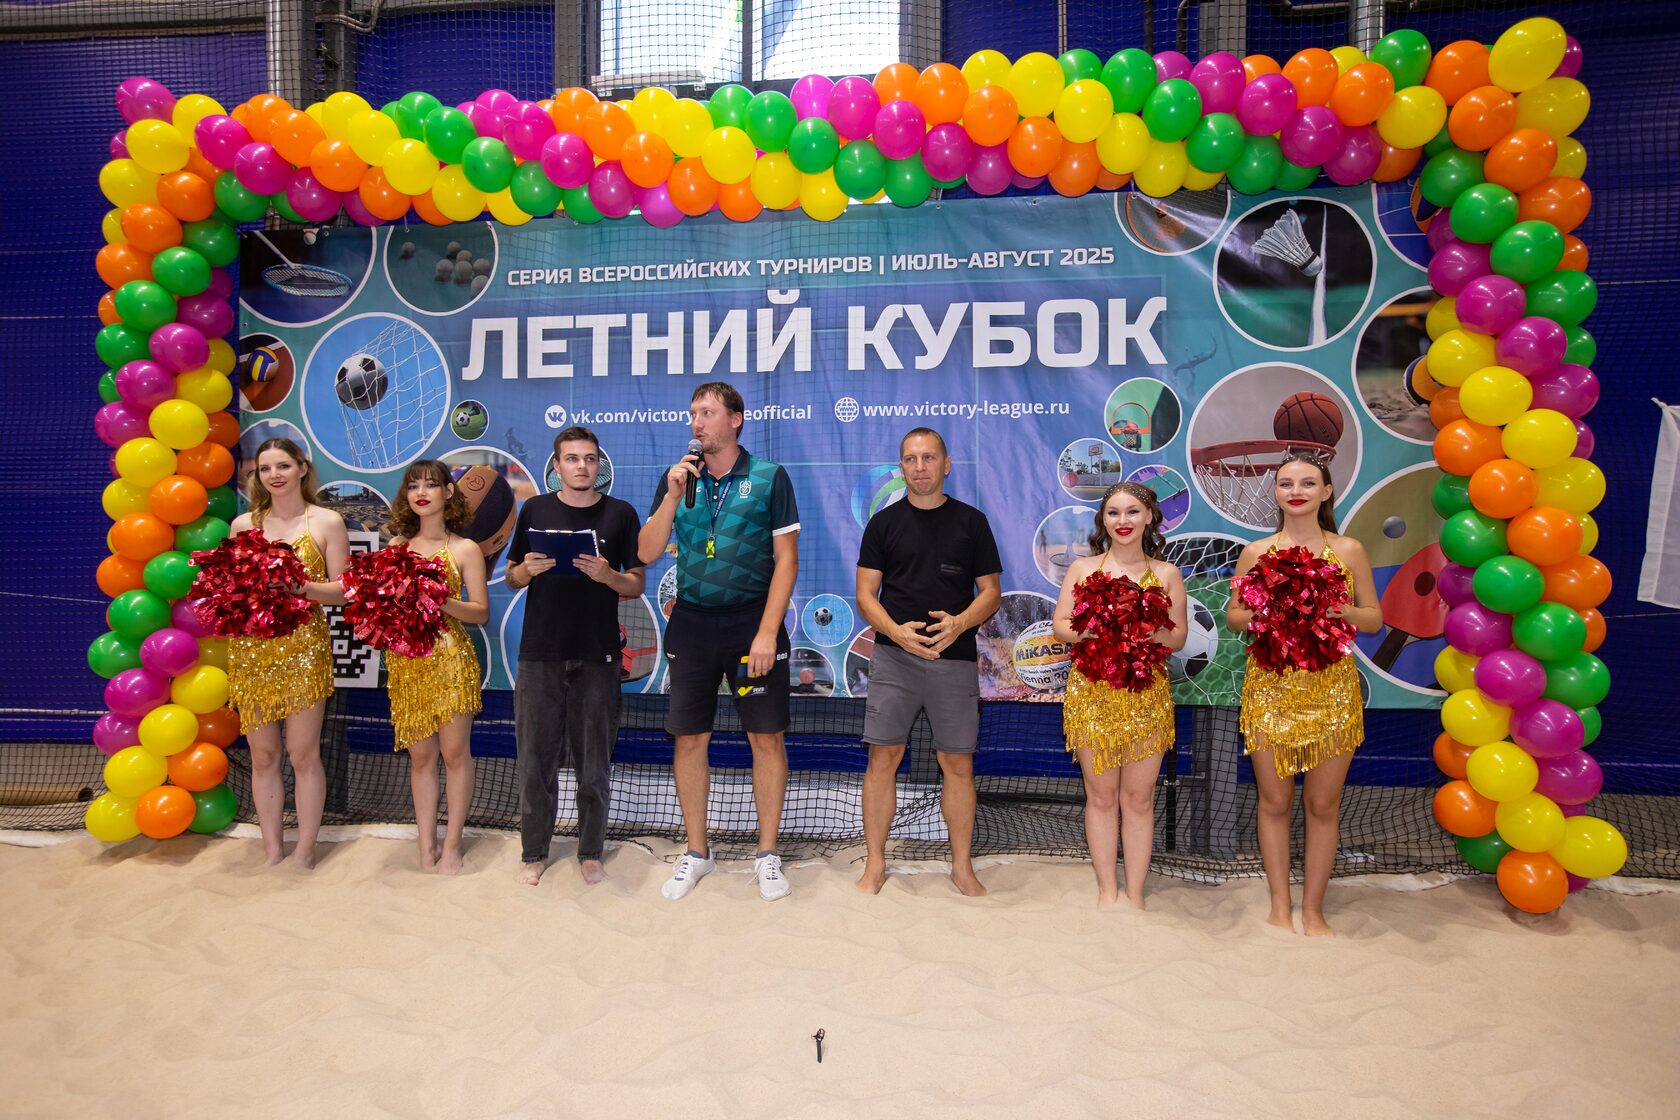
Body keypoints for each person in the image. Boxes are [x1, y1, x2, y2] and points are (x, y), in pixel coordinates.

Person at [638, 382, 799, 901]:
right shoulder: (678, 480)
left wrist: (768, 631)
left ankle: (767, 854)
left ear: (735, 419)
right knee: (690, 738)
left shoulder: (768, 477)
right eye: (693, 413)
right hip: (692, 624)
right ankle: (697, 852)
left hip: (752, 624)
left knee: (765, 737)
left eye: (707, 412)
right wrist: (671, 496)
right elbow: (646, 552)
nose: (697, 422)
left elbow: (787, 560)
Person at [1227, 453, 1382, 936]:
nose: (1296, 491)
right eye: (1287, 483)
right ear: (1275, 493)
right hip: (1270, 690)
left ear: (1326, 492)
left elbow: (1374, 618)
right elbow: (1234, 617)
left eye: (1308, 483)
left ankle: (1313, 909)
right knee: (1274, 802)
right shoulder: (1256, 552)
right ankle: (1280, 904)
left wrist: (1341, 611)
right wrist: (1267, 609)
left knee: (1322, 805)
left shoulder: (1349, 549)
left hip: (1332, 691)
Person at [854, 428, 1001, 896]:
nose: (920, 467)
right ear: (901, 467)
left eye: (929, 458)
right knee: (883, 757)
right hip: (893, 659)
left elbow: (991, 593)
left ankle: (961, 867)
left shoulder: (972, 522)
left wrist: (960, 624)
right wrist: (896, 632)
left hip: (954, 661)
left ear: (947, 464)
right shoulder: (883, 525)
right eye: (911, 459)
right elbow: (865, 595)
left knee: (957, 763)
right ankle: (875, 864)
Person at [506, 427, 645, 887]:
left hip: (598, 655)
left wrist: (608, 576)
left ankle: (590, 852)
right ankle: (534, 853)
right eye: (572, 458)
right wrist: (526, 571)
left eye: (589, 458)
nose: (581, 466)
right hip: (539, 654)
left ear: (599, 464)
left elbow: (637, 583)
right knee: (535, 762)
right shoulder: (535, 509)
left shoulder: (621, 514)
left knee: (594, 765)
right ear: (556, 465)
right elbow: (511, 576)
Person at [1052, 482, 1188, 910]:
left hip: (1147, 697)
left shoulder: (1167, 574)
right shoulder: (1083, 569)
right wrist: (1099, 626)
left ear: (1149, 517)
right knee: (1101, 797)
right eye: (1113, 513)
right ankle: (1107, 890)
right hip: (1092, 695)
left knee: (1139, 799)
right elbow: (1061, 626)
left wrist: (1145, 629)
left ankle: (1135, 893)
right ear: (1103, 520)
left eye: (1132, 512)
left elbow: (1178, 637)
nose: (1123, 521)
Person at [226, 438, 348, 869]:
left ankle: (305, 850)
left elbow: (344, 590)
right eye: (265, 469)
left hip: (304, 647)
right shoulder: (243, 525)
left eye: (282, 466)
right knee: (263, 756)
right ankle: (272, 849)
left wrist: (303, 588)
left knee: (302, 753)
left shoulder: (328, 521)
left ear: (302, 468)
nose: (274, 475)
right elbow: (231, 589)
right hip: (251, 649)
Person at [383, 460, 489, 874]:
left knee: (455, 754)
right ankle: (425, 844)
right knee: (421, 758)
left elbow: (480, 612)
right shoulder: (395, 548)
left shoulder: (465, 549)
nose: (421, 492)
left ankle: (453, 844)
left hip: (450, 659)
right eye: (413, 486)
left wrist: (441, 600)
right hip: (406, 662)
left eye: (431, 484)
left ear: (448, 492)